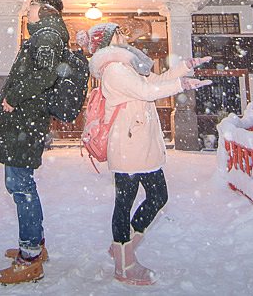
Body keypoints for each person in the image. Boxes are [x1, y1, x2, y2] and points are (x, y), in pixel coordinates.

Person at [77, 23, 212, 286]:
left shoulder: (125, 66)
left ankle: (123, 246)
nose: (123, 36)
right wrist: (181, 85)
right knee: (124, 202)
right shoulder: (113, 69)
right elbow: (146, 91)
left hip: (140, 143)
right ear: (107, 41)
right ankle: (124, 263)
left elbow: (155, 81)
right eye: (117, 33)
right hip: (127, 145)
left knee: (158, 196)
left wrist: (185, 66)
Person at [0, 0, 68, 285]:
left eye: (31, 5)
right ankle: (35, 245)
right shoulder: (44, 33)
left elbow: (44, 73)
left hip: (24, 122)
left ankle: (29, 256)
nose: (27, 10)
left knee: (20, 184)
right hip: (25, 122)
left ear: (44, 8)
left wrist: (13, 97)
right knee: (20, 183)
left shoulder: (47, 34)